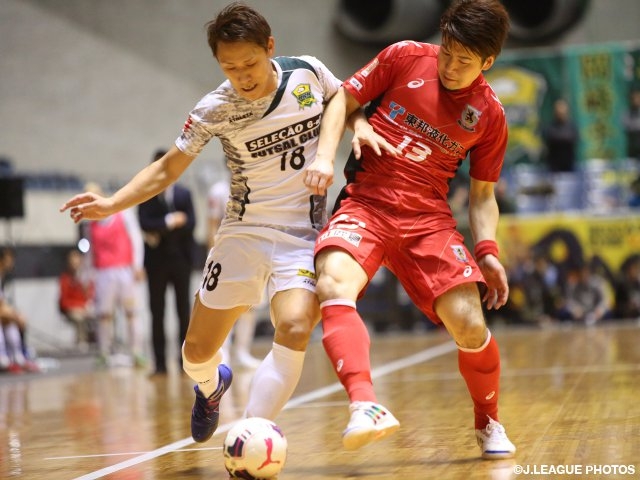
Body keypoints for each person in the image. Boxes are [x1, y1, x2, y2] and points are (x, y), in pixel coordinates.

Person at [60, 2, 357, 444]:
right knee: (195, 353)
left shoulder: (308, 72)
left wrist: (355, 130)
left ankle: (251, 435)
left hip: (302, 233)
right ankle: (212, 385)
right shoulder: (215, 107)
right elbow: (167, 168)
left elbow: (345, 99)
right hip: (243, 232)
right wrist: (112, 203)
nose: (242, 76)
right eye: (229, 67)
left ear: (270, 47)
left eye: (249, 63)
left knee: (296, 326)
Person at [303, 0, 516, 458]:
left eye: (464, 61)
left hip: (428, 220)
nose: (450, 67)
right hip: (367, 203)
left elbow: (482, 197)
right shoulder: (404, 55)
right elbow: (343, 99)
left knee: (469, 325)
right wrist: (326, 156)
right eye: (447, 52)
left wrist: (488, 250)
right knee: (332, 283)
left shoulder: (490, 115)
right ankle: (364, 404)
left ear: (487, 62)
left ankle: (488, 421)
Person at [138, 148, 197, 376]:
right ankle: (160, 364)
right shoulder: (146, 194)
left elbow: (191, 223)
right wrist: (170, 221)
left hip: (181, 261)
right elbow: (145, 223)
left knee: (184, 311)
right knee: (157, 312)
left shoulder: (184, 194)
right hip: (156, 263)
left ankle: (185, 362)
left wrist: (160, 228)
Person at [81, 182, 146, 368]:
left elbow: (136, 239)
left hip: (125, 270)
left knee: (131, 312)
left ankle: (136, 352)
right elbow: (90, 252)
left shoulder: (123, 213)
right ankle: (103, 352)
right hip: (103, 273)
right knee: (104, 315)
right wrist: (87, 275)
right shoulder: (90, 225)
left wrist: (138, 265)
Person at [208, 173, 261, 369]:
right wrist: (213, 254)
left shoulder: (257, 186)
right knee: (224, 304)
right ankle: (224, 353)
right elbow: (211, 225)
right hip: (226, 253)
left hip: (252, 253)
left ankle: (242, 352)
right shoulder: (218, 191)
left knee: (250, 305)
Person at [0, 247, 39, 373]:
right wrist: (14, 315)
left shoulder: (2, 278)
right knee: (9, 319)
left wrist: (15, 315)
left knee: (10, 322)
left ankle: (18, 358)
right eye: (8, 259)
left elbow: (2, 304)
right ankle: (2, 360)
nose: (11, 262)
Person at [58, 248, 96, 351]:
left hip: (86, 308)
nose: (75, 264)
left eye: (77, 261)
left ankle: (100, 343)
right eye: (72, 262)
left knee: (102, 315)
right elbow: (64, 301)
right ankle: (81, 344)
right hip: (72, 309)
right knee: (79, 318)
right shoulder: (65, 278)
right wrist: (79, 307)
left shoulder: (85, 277)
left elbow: (90, 295)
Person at [541, 98, 579, 173]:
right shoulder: (551, 127)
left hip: (569, 167)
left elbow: (573, 137)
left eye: (562, 111)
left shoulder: (571, 127)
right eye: (558, 111)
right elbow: (550, 136)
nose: (560, 113)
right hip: (553, 169)